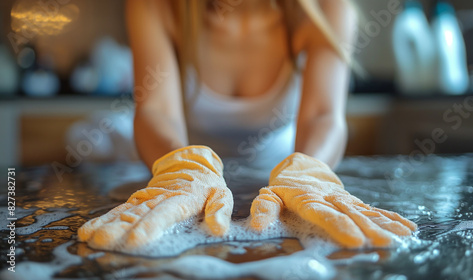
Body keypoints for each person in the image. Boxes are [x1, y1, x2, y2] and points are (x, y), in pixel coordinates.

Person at [78, 0, 417, 251]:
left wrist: (309, 171)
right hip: (176, 168)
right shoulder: (158, 6)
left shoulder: (327, 8)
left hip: (279, 173)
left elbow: (323, 115)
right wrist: (184, 169)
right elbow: (156, 111)